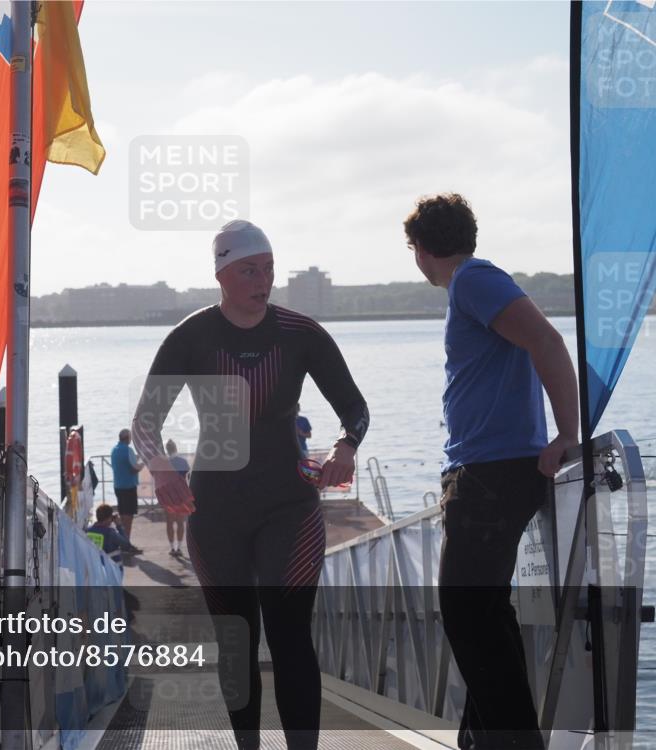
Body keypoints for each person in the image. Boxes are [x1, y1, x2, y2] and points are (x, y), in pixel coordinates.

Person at [132, 219, 370, 750]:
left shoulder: (300, 334)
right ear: (221, 273)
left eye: (268, 269)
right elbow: (146, 422)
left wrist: (345, 446)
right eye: (248, 271)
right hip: (217, 512)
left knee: (290, 639)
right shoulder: (191, 337)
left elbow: (354, 407)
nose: (262, 281)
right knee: (237, 645)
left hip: (289, 506)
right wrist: (164, 469)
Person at [404, 193, 578, 750]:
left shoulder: (474, 280)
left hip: (491, 476)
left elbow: (546, 340)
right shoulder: (474, 283)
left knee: (465, 614)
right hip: (486, 474)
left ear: (422, 249)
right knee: (483, 613)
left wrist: (567, 434)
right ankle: (482, 738)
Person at [110, 428, 143, 540]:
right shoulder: (128, 450)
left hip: (118, 486)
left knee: (123, 514)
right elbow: (134, 469)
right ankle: (126, 542)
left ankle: (123, 540)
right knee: (128, 516)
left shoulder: (114, 450)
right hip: (129, 487)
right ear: (127, 438)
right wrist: (143, 463)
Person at [164, 440, 190, 556]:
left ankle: (172, 547)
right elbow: (187, 477)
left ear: (167, 450)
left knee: (170, 522)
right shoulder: (183, 462)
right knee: (180, 522)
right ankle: (179, 547)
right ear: (176, 448)